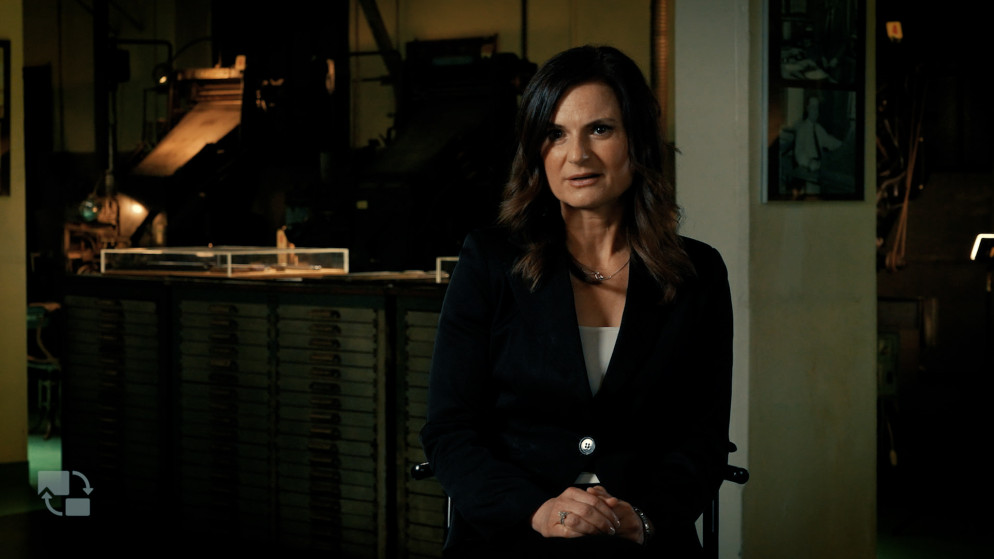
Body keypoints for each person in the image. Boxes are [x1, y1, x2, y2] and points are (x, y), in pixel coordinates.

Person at [420, 45, 733, 558]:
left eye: (600, 130)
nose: (577, 155)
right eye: (555, 134)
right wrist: (539, 511)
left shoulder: (698, 272)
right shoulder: (490, 262)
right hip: (515, 531)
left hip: (642, 533)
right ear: (536, 150)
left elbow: (703, 436)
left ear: (637, 139)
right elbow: (450, 429)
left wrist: (644, 517)